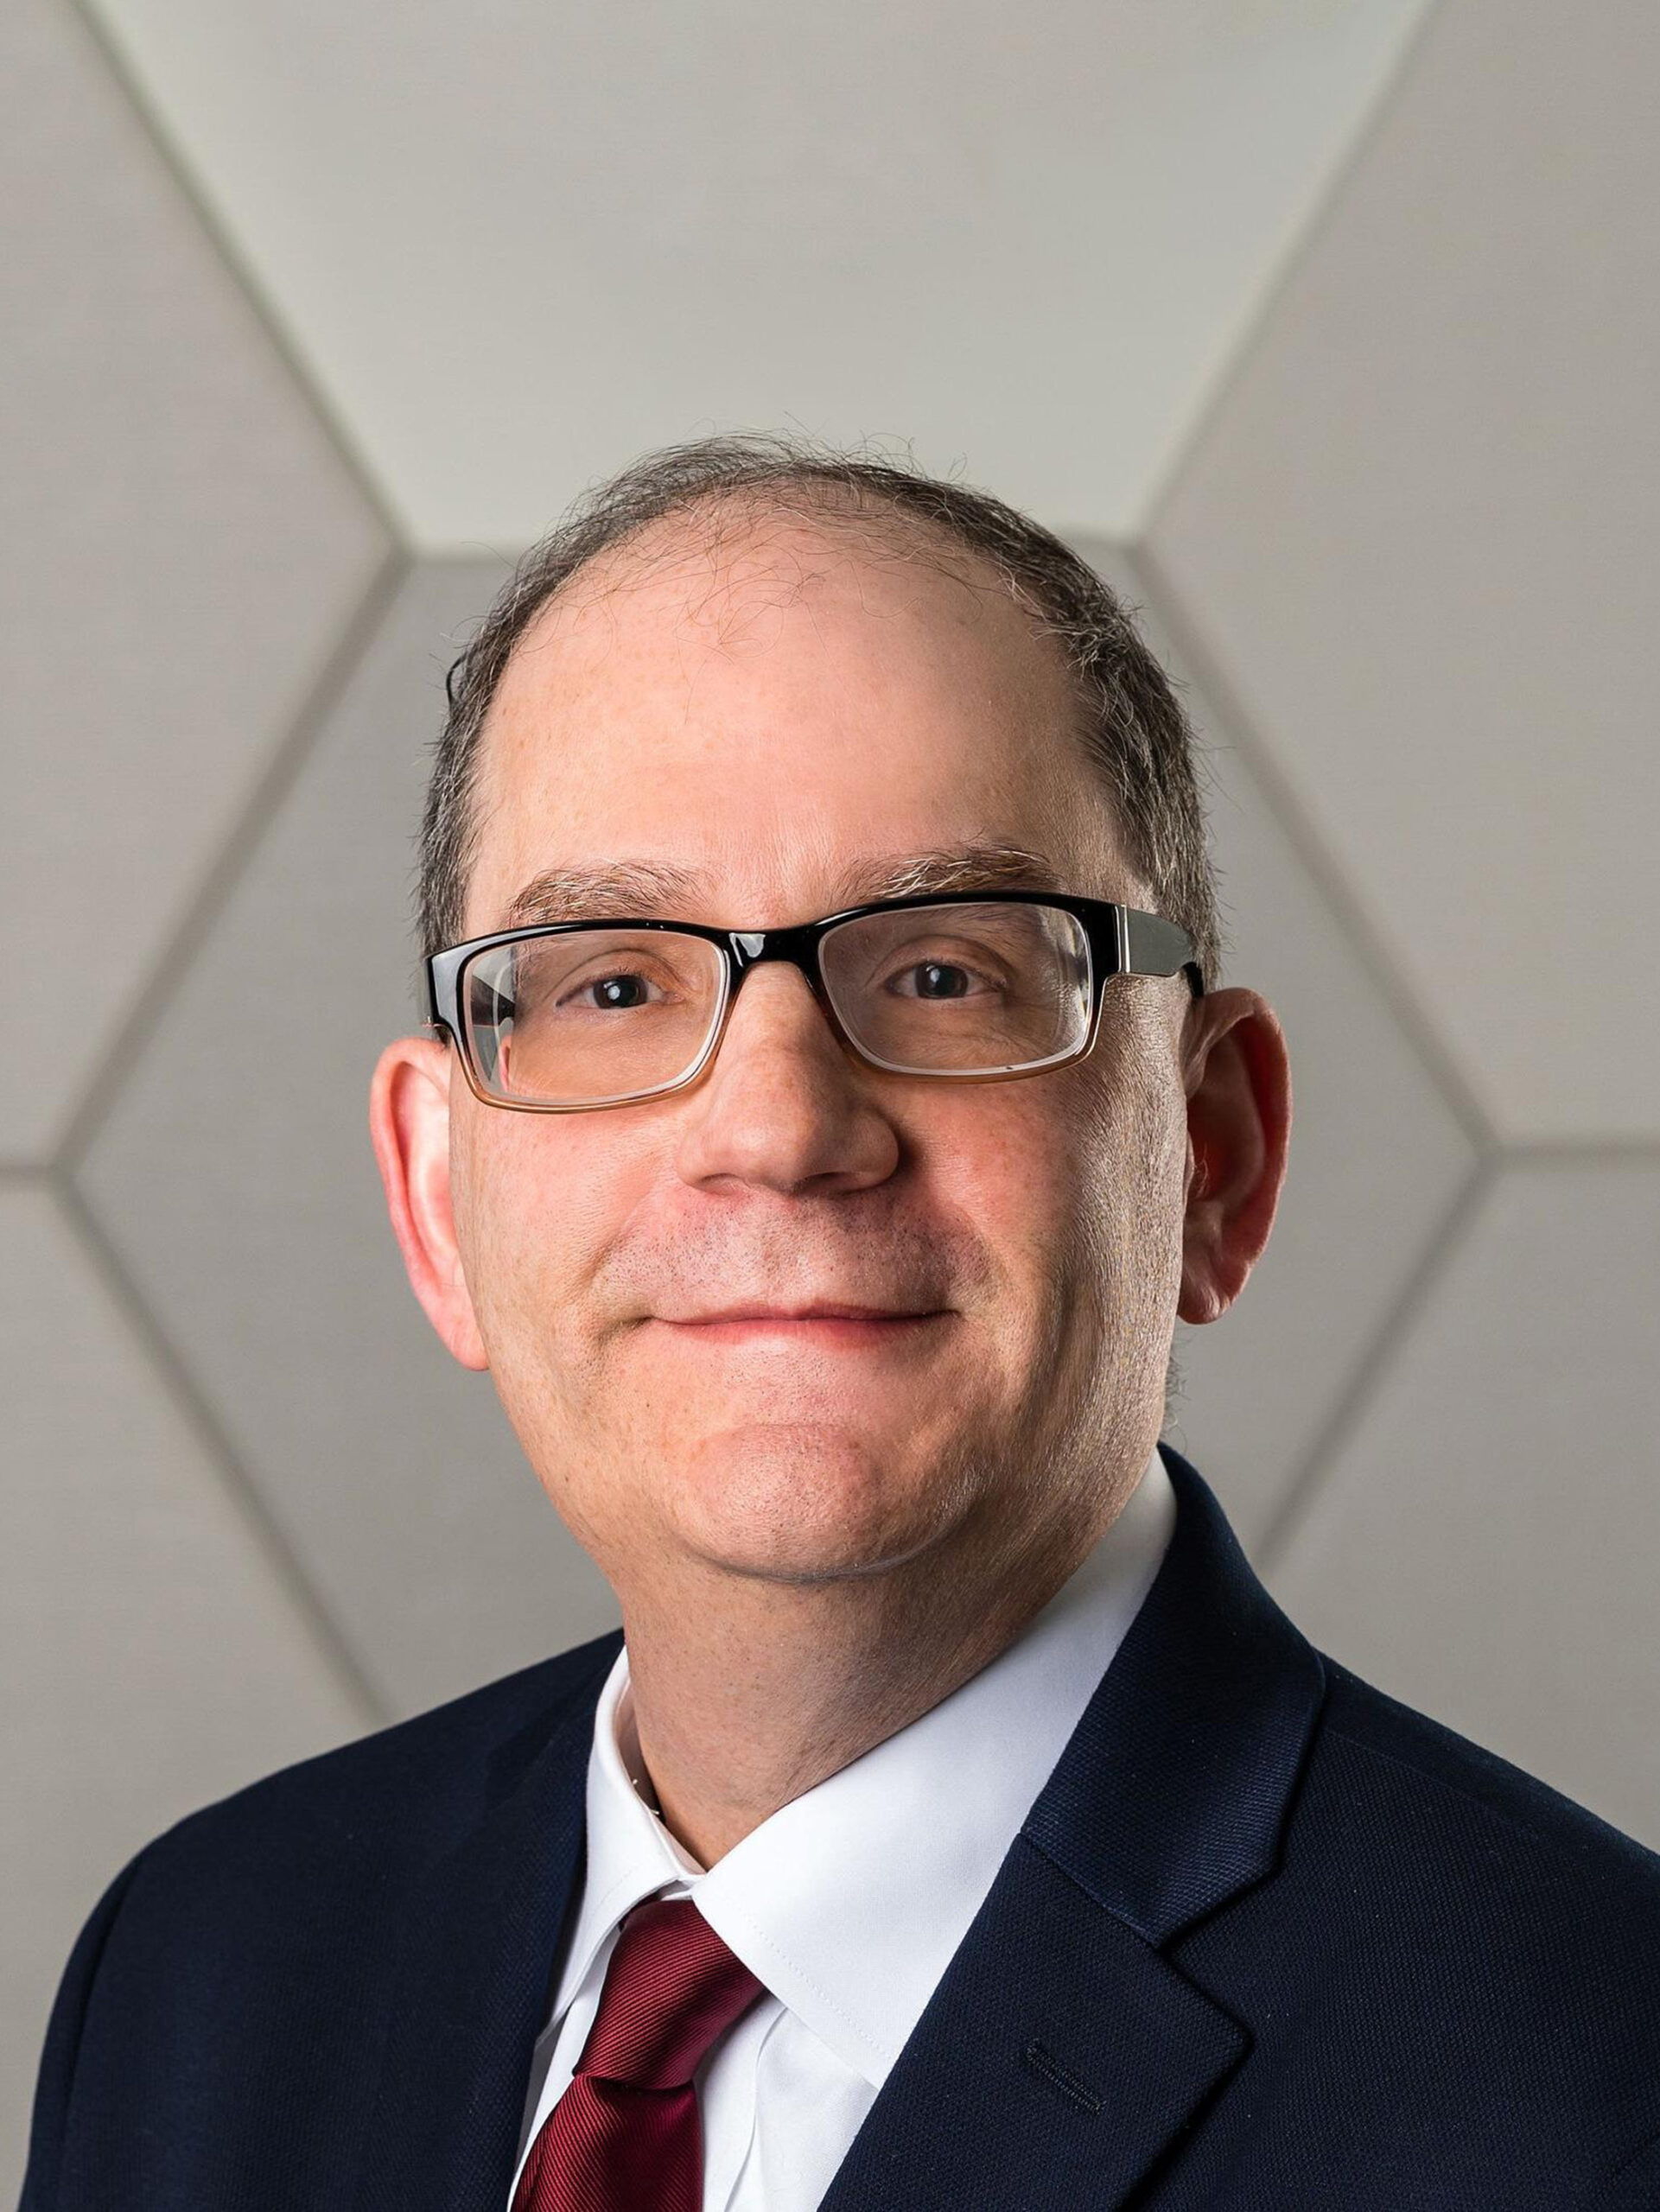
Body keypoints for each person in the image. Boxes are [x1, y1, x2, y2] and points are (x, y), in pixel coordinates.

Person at [19, 436, 1660, 2212]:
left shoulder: (1596, 2091)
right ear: (436, 1199)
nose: (781, 1127)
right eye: (615, 981)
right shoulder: (203, 1978)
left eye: (945, 969)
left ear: (1212, 1152)